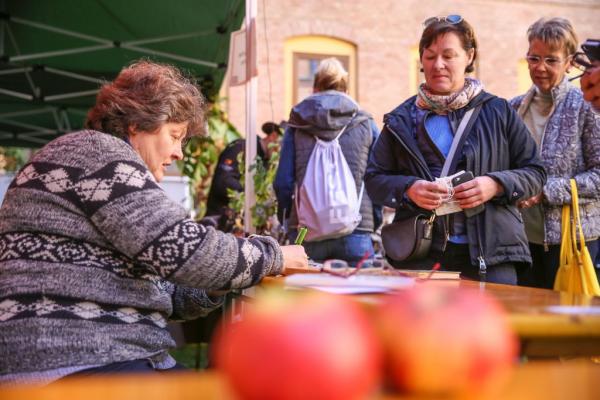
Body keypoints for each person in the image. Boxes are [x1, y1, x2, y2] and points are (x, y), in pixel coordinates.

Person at [0, 61, 307, 385]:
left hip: (87, 356)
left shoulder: (87, 161)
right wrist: (275, 254)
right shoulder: (96, 154)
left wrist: (219, 279)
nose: (179, 153)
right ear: (136, 124)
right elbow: (186, 251)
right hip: (73, 358)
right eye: (175, 136)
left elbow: (168, 291)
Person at [365, 15, 546, 284]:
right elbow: (374, 179)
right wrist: (409, 188)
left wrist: (494, 184)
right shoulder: (400, 119)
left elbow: (536, 172)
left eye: (449, 55)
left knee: (492, 327)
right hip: (423, 256)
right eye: (429, 56)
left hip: (493, 255)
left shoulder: (498, 111)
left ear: (469, 56)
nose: (438, 65)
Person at [510, 18, 600, 288]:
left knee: (566, 324)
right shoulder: (512, 109)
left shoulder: (587, 105)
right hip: (519, 241)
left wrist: (545, 191)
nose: (540, 67)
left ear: (570, 62)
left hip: (572, 243)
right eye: (534, 58)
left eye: (551, 60)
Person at [274, 58, 381, 265]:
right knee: (361, 295)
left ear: (315, 88)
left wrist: (288, 222)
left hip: (306, 231)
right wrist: (372, 221)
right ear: (346, 90)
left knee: (305, 294)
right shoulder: (366, 124)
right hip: (356, 230)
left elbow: (283, 183)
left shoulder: (297, 126)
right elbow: (377, 178)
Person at [205, 121, 281, 224]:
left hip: (242, 223)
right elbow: (223, 181)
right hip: (219, 220)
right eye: (282, 145)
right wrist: (253, 195)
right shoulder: (241, 148)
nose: (281, 152)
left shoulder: (267, 162)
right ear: (273, 136)